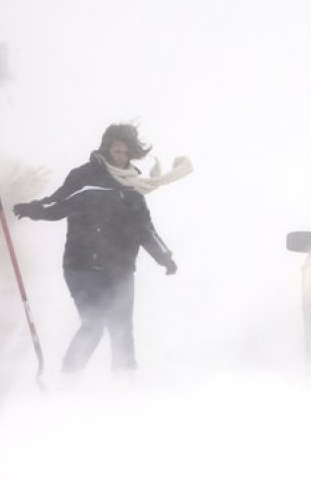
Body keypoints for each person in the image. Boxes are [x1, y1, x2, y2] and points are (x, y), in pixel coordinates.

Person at [13, 123, 193, 378]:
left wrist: (164, 258)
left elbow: (145, 229)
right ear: (106, 150)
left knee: (121, 326)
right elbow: (57, 203)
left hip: (120, 269)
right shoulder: (84, 178)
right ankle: (69, 377)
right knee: (94, 324)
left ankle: (124, 380)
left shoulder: (133, 188)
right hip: (82, 267)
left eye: (125, 152)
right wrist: (34, 209)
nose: (120, 156)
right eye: (116, 150)